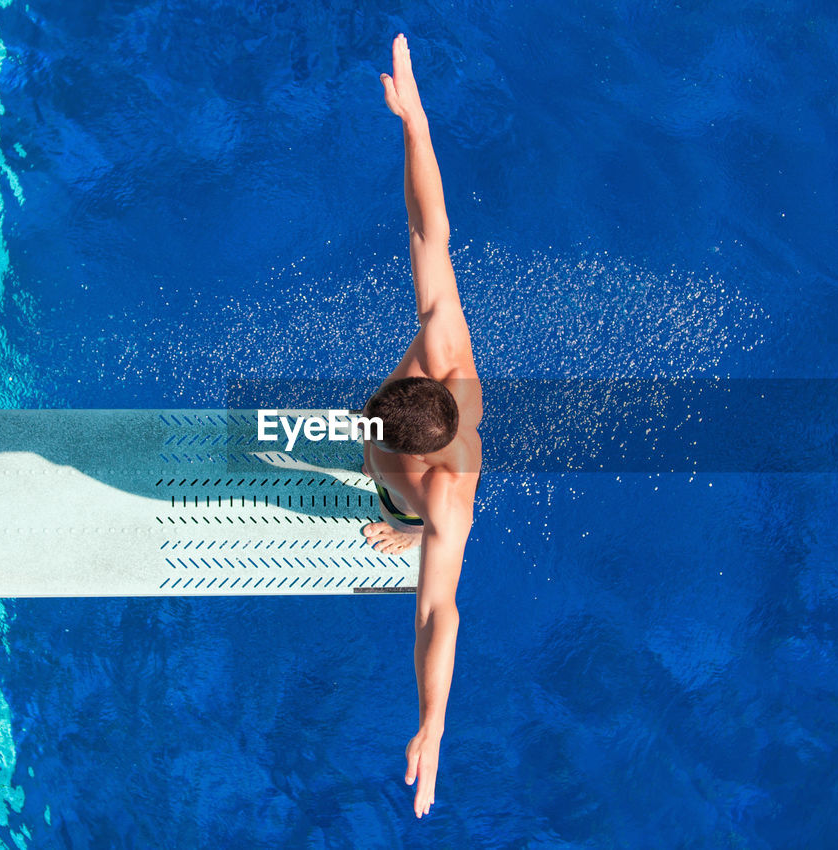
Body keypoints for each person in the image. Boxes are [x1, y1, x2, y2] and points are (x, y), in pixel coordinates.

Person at [361, 33, 483, 821]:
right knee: (431, 250)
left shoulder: (449, 496)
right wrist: (416, 126)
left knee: (425, 543)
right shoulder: (443, 344)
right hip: (420, 452)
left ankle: (397, 525)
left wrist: (432, 723)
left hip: (418, 506)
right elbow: (427, 227)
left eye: (377, 434)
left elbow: (440, 613)